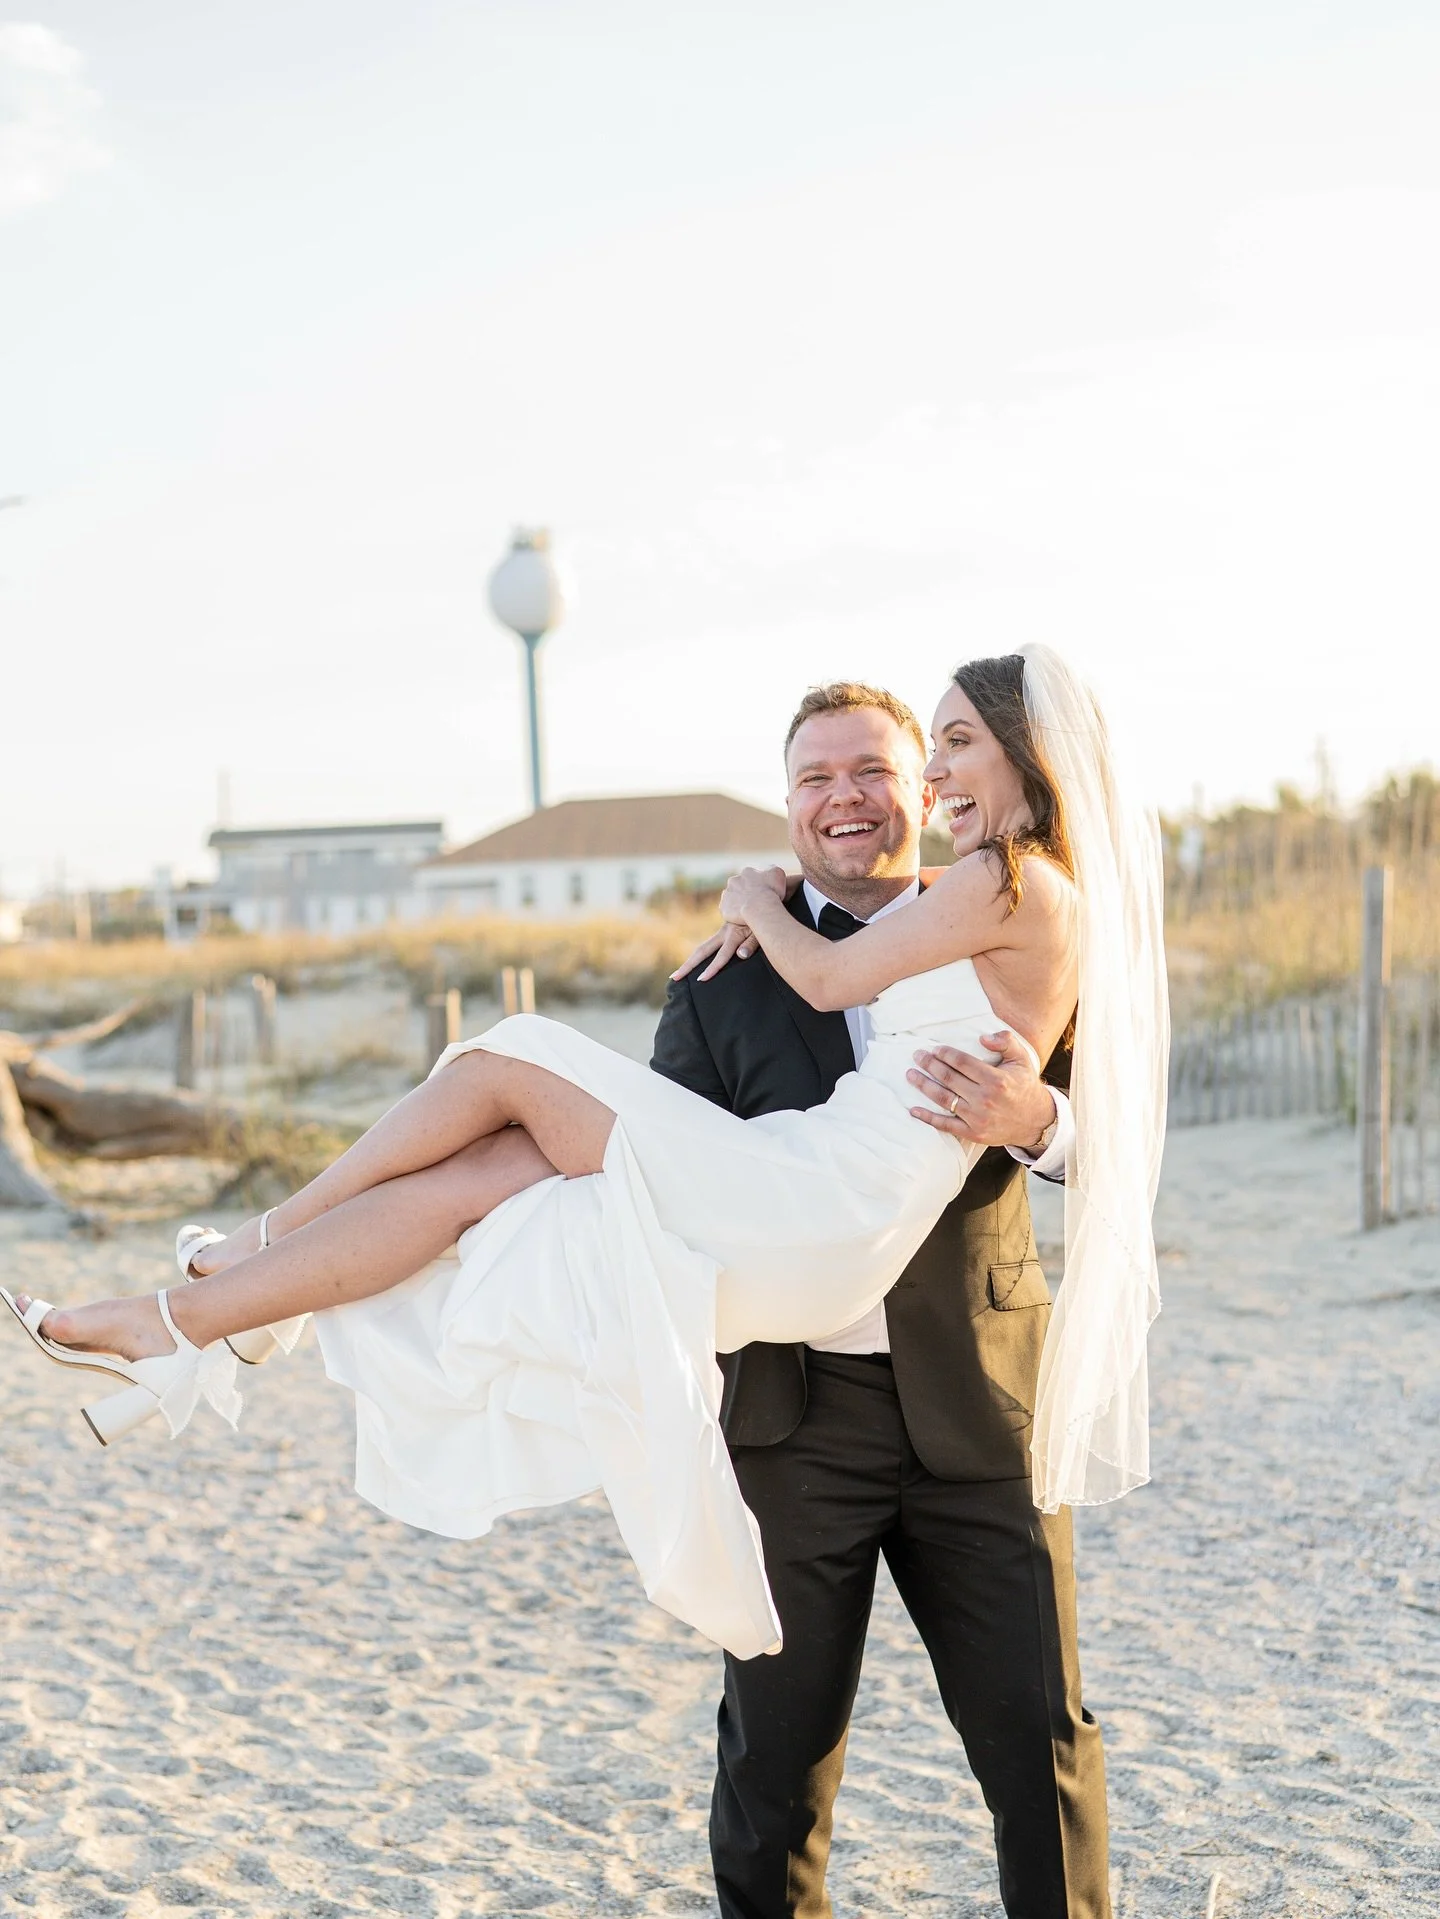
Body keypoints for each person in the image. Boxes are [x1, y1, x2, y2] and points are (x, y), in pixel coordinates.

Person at [5, 648, 1166, 1756]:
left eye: (938, 750)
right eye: (817, 775)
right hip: (797, 1363)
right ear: (790, 795)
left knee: (501, 1060)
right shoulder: (755, 975)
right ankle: (192, 1316)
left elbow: (1072, 1108)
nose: (889, 785)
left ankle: (237, 1263)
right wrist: (759, 926)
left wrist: (761, 904)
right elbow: (719, 1070)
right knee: (493, 1160)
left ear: (1017, 755)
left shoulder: (1002, 885)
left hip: (910, 1320)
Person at [650, 674, 1108, 1919]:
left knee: (1040, 1746)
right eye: (814, 777)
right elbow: (668, 1193)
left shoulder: (1014, 917)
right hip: (795, 1424)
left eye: (871, 771)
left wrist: (1041, 1120)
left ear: (925, 788)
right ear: (789, 804)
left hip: (984, 1408)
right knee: (773, 1764)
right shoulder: (716, 982)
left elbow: (1126, 1140)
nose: (844, 798)